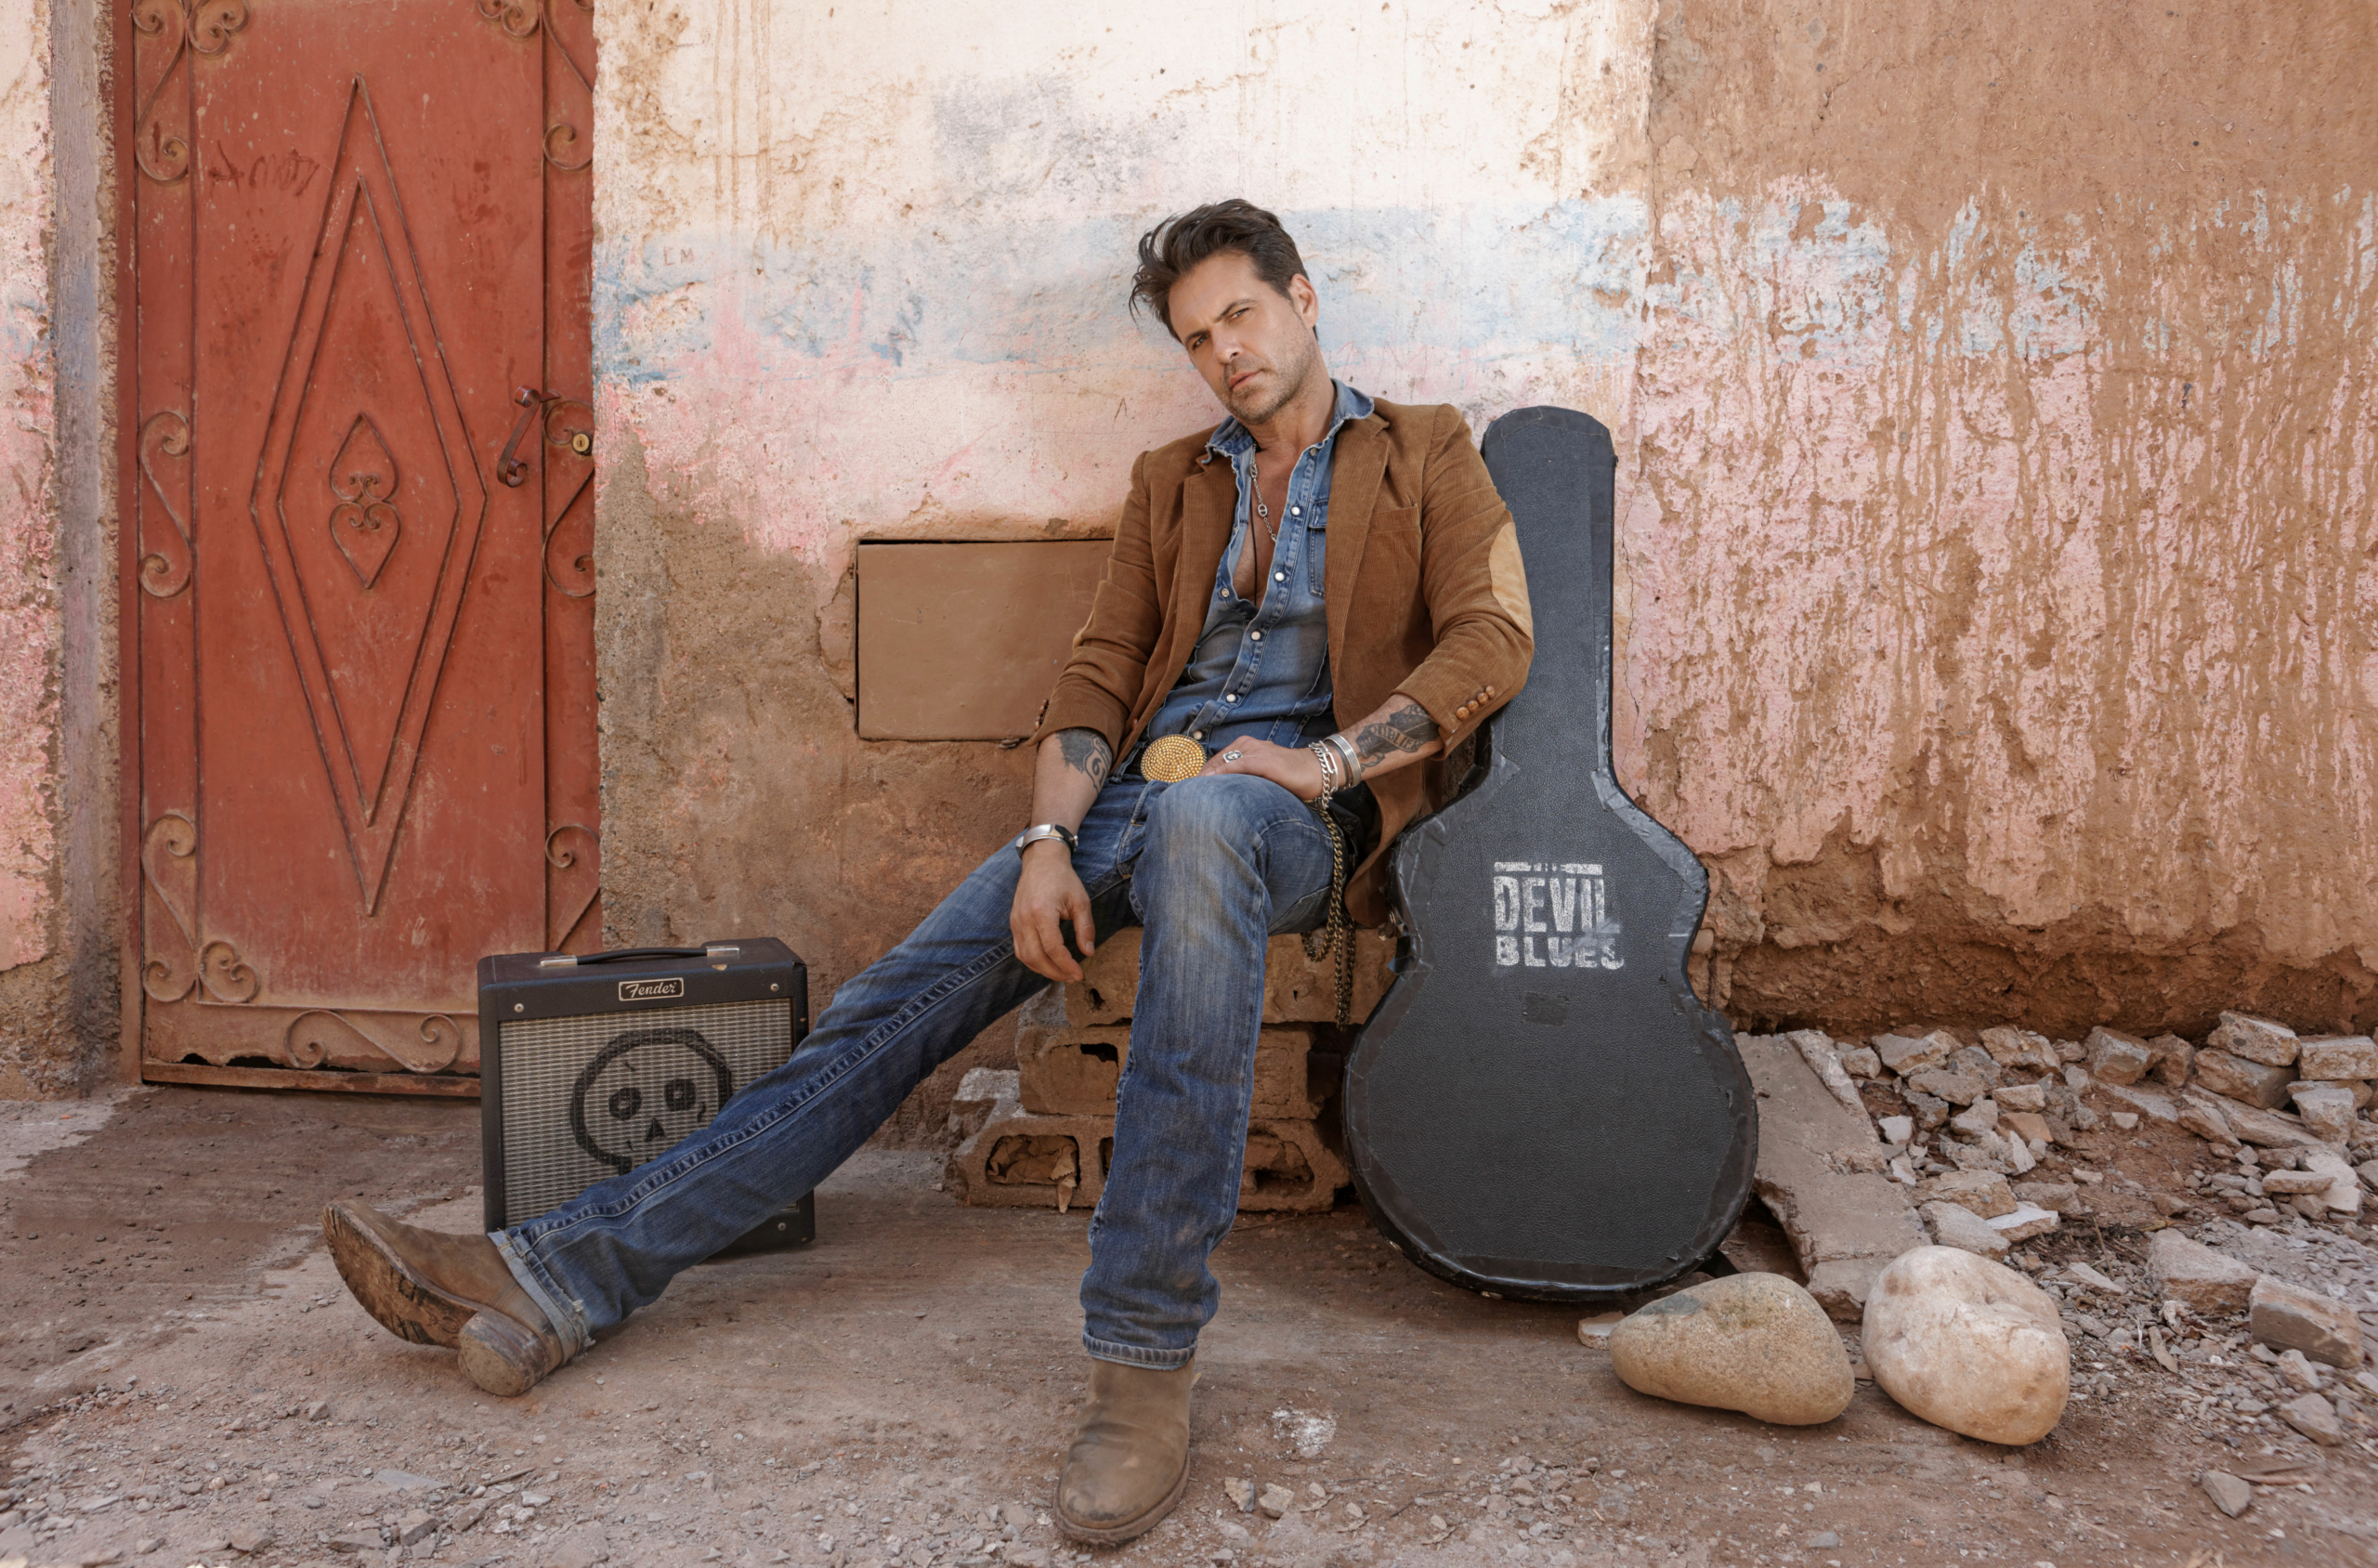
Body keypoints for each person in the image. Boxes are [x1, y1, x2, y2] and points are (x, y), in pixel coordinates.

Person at [321, 198, 1533, 1545]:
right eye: (1197, 338)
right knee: (885, 1009)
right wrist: (1047, 844)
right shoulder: (1175, 481)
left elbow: (1493, 639)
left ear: (1302, 300)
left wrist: (1325, 765)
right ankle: (555, 1278)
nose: (1224, 353)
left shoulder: (1423, 450)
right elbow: (1098, 676)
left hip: (1294, 817)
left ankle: (1143, 1359)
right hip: (1132, 803)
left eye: (1240, 316)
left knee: (1206, 828)